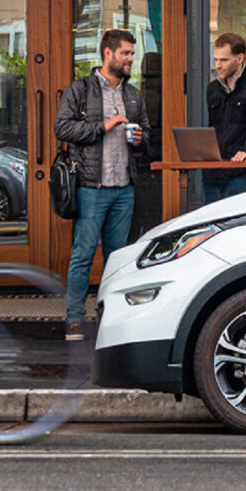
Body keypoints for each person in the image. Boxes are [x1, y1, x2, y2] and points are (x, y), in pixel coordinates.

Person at [55, 30, 152, 341]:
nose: (130, 59)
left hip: (124, 187)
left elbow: (147, 135)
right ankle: (74, 318)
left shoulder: (134, 94)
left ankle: (112, 316)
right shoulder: (80, 90)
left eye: (132, 54)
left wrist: (140, 139)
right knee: (83, 253)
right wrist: (103, 126)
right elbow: (63, 127)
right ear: (108, 54)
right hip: (90, 186)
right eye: (126, 53)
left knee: (118, 257)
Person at [204, 33, 246, 204]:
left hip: (242, 174)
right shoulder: (212, 89)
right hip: (213, 173)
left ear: (240, 58)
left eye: (224, 60)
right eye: (216, 59)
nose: (217, 65)